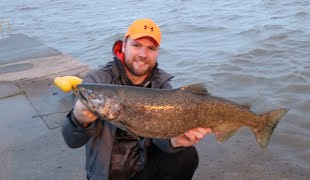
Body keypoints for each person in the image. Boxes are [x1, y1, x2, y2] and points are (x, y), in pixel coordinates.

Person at [62, 18, 212, 180]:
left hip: (143, 168)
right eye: (136, 45)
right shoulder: (97, 80)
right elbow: (72, 141)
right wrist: (79, 119)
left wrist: (174, 141)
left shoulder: (161, 86)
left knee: (186, 156)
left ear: (157, 53)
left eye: (151, 48)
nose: (143, 54)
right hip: (106, 175)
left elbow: (159, 138)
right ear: (124, 46)